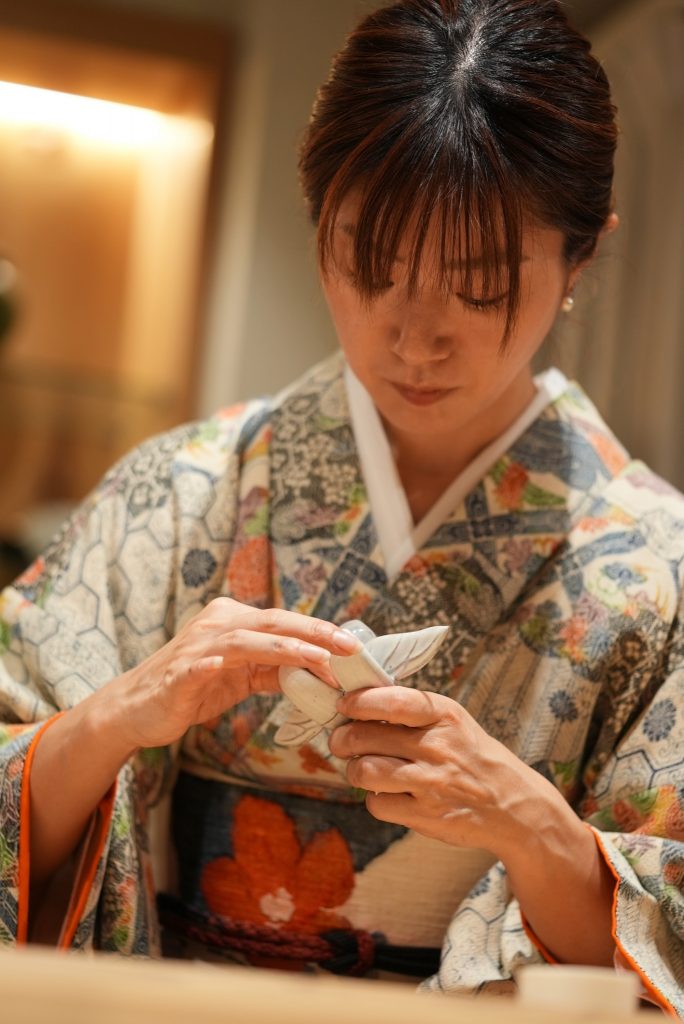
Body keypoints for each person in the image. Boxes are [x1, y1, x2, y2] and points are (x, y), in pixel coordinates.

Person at [1, 0, 683, 1012]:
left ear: (581, 256)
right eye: (369, 266)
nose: (414, 336)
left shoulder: (658, 571)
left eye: (480, 285)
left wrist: (538, 833)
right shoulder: (178, 495)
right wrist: (110, 725)